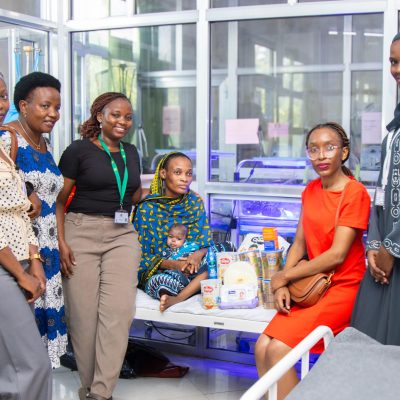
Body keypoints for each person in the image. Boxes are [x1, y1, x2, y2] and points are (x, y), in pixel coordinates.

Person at [254, 122, 370, 400]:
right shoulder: (311, 190)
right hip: (311, 285)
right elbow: (299, 243)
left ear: (344, 152)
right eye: (313, 149)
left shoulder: (354, 193)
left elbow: (337, 255)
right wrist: (282, 283)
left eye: (329, 148)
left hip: (343, 287)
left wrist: (285, 277)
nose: (321, 156)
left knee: (278, 349)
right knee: (261, 347)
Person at [56, 92, 142, 400]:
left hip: (122, 234)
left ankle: (101, 393)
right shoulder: (78, 150)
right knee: (83, 318)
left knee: (118, 314)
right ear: (99, 116)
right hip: (80, 230)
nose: (123, 121)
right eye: (115, 114)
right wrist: (61, 241)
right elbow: (59, 200)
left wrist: (167, 192)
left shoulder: (131, 152)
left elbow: (132, 193)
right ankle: (90, 389)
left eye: (128, 117)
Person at [1, 71, 67, 368]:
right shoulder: (8, 138)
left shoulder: (45, 144)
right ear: (23, 106)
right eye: (45, 106)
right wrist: (28, 190)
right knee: (21, 343)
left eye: (57, 107)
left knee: (40, 347)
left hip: (47, 249)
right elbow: (9, 184)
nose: (53, 113)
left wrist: (61, 243)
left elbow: (55, 200)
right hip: (20, 250)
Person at [133, 152, 233, 312]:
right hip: (165, 270)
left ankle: (179, 297)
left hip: (195, 266)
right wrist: (176, 265)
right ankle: (187, 287)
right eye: (177, 172)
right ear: (163, 173)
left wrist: (197, 255)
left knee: (227, 249)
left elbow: (205, 244)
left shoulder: (194, 203)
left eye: (188, 173)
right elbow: (142, 256)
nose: (184, 179)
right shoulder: (147, 208)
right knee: (159, 282)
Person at [351, 33, 400, 346]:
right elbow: (382, 189)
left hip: (394, 251)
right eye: (393, 61)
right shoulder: (395, 126)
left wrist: (392, 248)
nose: (397, 69)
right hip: (385, 252)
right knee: (366, 339)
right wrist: (375, 242)